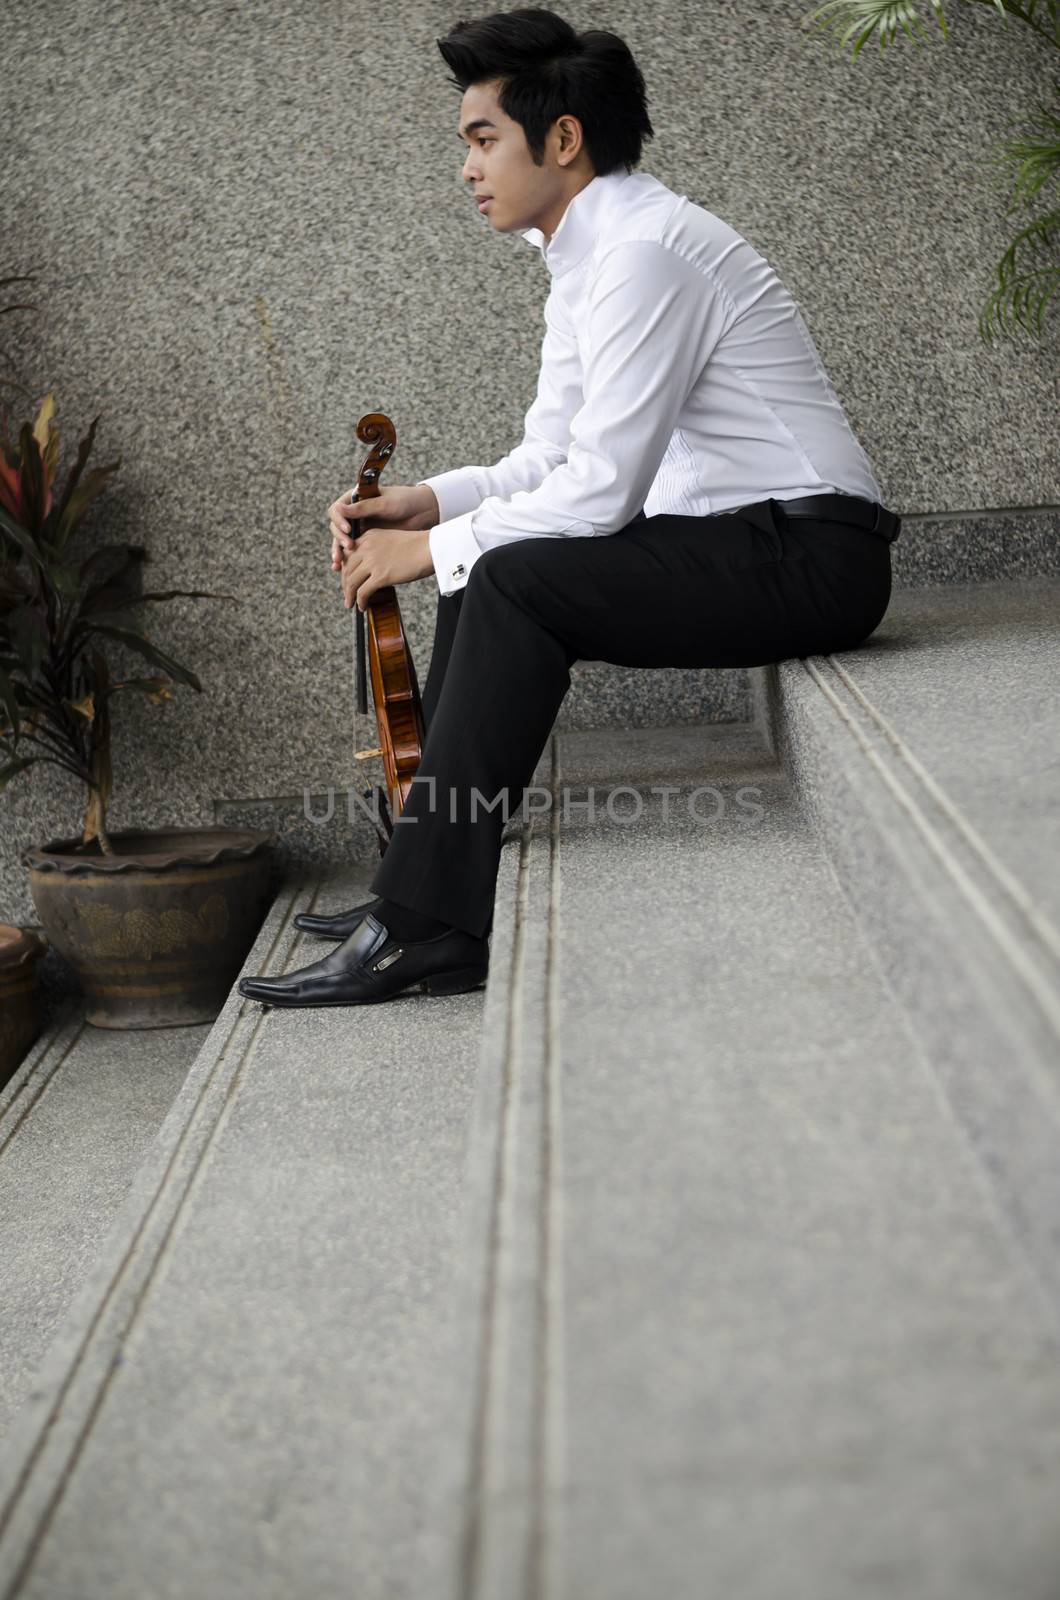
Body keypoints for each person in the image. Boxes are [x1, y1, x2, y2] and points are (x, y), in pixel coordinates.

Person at [238, 5, 900, 1012]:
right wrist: (427, 504)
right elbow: (549, 461)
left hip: (812, 556)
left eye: (482, 139)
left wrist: (437, 550)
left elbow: (600, 494)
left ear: (562, 139)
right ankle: (423, 873)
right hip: (739, 541)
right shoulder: (586, 257)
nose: (466, 167)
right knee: (490, 556)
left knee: (502, 572)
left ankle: (421, 924)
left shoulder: (645, 255)